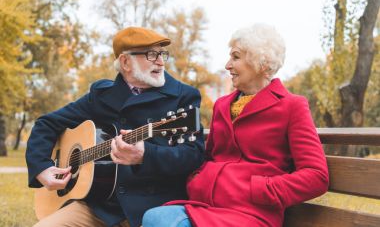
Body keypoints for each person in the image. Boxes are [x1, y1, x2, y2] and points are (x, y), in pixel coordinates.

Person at [142, 23, 329, 227]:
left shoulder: (292, 106)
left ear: (261, 63)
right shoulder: (222, 105)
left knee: (162, 223)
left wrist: (261, 188)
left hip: (251, 214)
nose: (227, 65)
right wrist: (198, 178)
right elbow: (210, 156)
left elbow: (316, 176)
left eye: (236, 57)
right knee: (152, 217)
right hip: (205, 206)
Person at [26, 27, 205, 227]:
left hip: (153, 209)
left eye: (162, 54)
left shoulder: (183, 96)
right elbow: (47, 123)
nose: (161, 61)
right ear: (125, 62)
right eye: (151, 55)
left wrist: (147, 155)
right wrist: (42, 167)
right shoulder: (101, 95)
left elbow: (194, 155)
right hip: (100, 208)